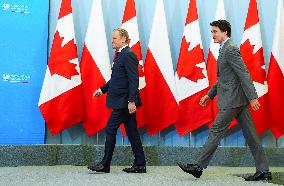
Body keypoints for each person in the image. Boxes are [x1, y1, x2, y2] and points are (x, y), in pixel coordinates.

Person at [177, 20, 271, 181]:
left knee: (216, 131)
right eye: (212, 31)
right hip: (238, 100)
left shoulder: (230, 49)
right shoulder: (225, 49)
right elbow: (225, 78)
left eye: (215, 31)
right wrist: (209, 95)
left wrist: (253, 97)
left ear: (225, 32)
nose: (212, 34)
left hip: (232, 100)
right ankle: (263, 170)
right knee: (251, 136)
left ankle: (198, 166)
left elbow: (244, 74)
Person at [88, 28, 146, 173]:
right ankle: (140, 164)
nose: (112, 41)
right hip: (123, 101)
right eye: (112, 38)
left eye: (114, 38)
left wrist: (131, 101)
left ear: (123, 40)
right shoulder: (121, 55)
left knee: (110, 129)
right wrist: (102, 89)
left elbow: (134, 80)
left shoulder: (128, 55)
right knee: (132, 132)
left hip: (124, 102)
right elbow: (116, 79)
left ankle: (105, 164)